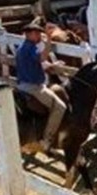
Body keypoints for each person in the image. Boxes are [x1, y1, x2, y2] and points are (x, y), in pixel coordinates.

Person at [15, 22, 67, 152]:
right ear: (28, 34)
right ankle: (47, 139)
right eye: (36, 33)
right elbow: (42, 57)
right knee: (60, 107)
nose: (39, 35)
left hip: (22, 85)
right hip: (34, 87)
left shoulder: (21, 48)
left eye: (39, 33)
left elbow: (37, 64)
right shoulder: (30, 47)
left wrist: (51, 65)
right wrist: (48, 41)